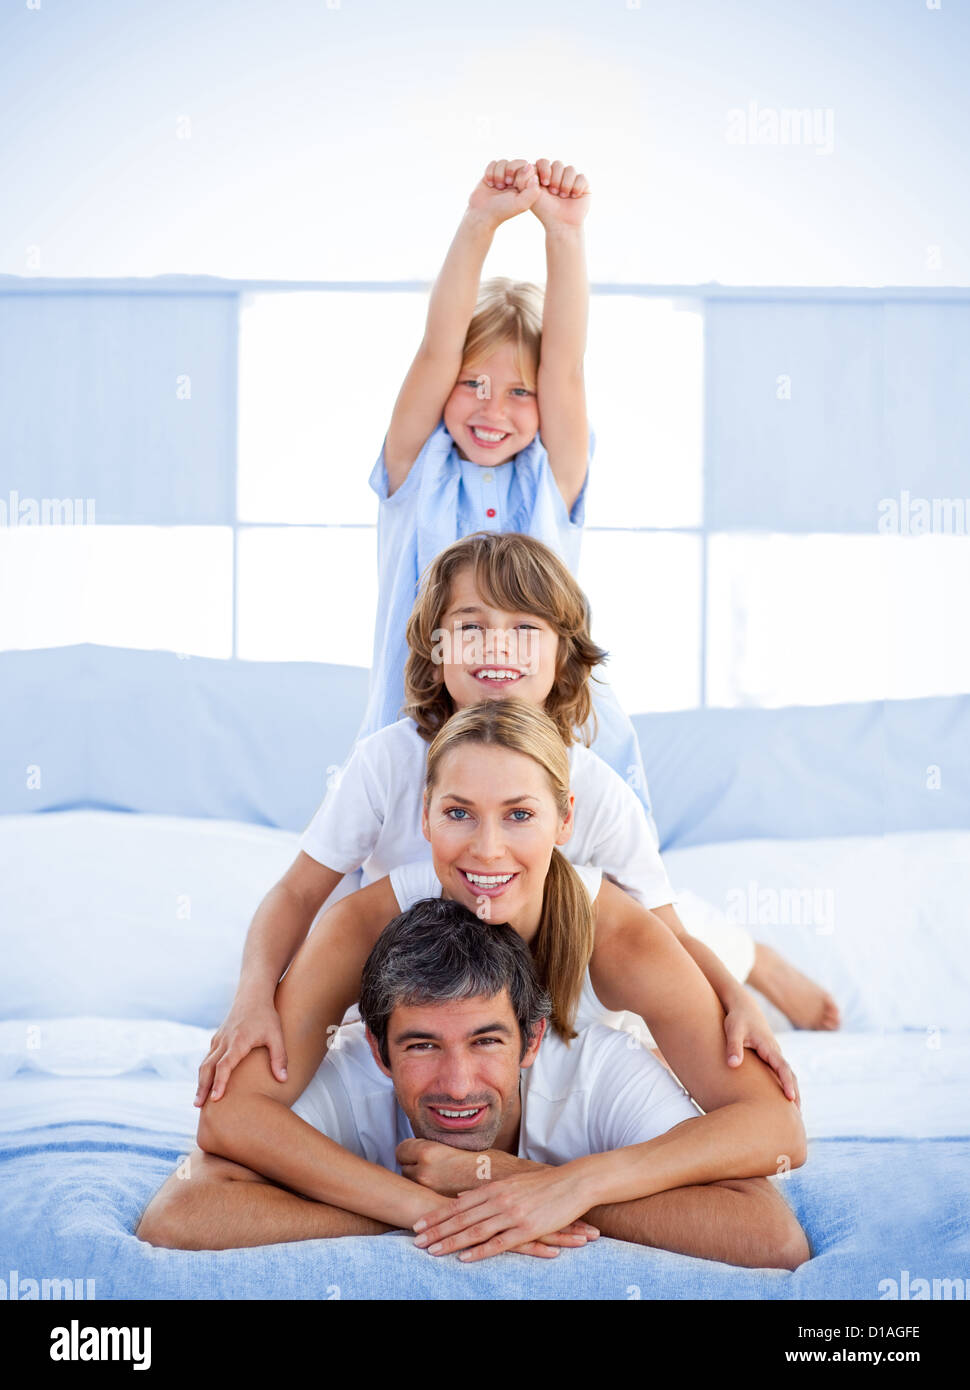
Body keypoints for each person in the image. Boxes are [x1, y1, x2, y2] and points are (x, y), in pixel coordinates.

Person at [196, 532, 838, 1116]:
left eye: (525, 628)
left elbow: (668, 938)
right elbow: (297, 893)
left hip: (554, 995)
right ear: (436, 646)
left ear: (563, 653)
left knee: (667, 947)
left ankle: (755, 962)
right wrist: (252, 993)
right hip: (431, 993)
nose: (497, 647)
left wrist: (735, 996)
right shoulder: (388, 763)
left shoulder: (597, 792)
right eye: (470, 626)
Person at [174, 699, 806, 1261]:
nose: (487, 850)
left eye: (519, 815)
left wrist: (561, 1183)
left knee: (695, 940)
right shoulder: (362, 930)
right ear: (424, 818)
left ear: (565, 823)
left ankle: (758, 961)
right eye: (459, 813)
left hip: (608, 1046)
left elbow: (775, 1129)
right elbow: (231, 1119)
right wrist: (427, 1207)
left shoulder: (621, 948)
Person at [139, 899, 810, 1270]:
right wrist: (419, 1207)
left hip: (625, 909)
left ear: (532, 1040)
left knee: (687, 923)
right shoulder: (343, 1067)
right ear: (377, 1049)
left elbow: (771, 1235)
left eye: (487, 1042)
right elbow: (179, 1215)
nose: (457, 1085)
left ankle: (756, 961)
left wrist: (501, 1181)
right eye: (422, 1046)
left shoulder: (600, 1069)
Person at [359, 154, 654, 817]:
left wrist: (564, 234)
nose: (493, 411)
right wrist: (481, 221)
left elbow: (568, 368)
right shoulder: (417, 472)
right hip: (426, 724)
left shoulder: (552, 478)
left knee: (575, 880)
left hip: (543, 730)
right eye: (474, 385)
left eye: (521, 392)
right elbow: (436, 349)